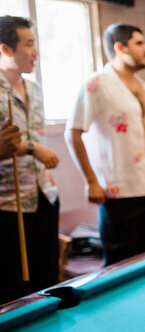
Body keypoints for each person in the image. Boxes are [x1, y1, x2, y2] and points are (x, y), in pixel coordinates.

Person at [66, 23, 145, 266]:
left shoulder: (142, 86)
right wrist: (91, 181)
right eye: (139, 43)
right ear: (120, 48)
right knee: (121, 258)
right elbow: (74, 132)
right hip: (117, 185)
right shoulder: (96, 84)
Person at [0, 16, 60, 305]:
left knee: (47, 280)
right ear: (5, 49)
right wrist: (33, 148)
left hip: (43, 193)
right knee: (10, 289)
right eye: (29, 44)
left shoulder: (35, 90)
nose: (35, 52)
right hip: (8, 203)